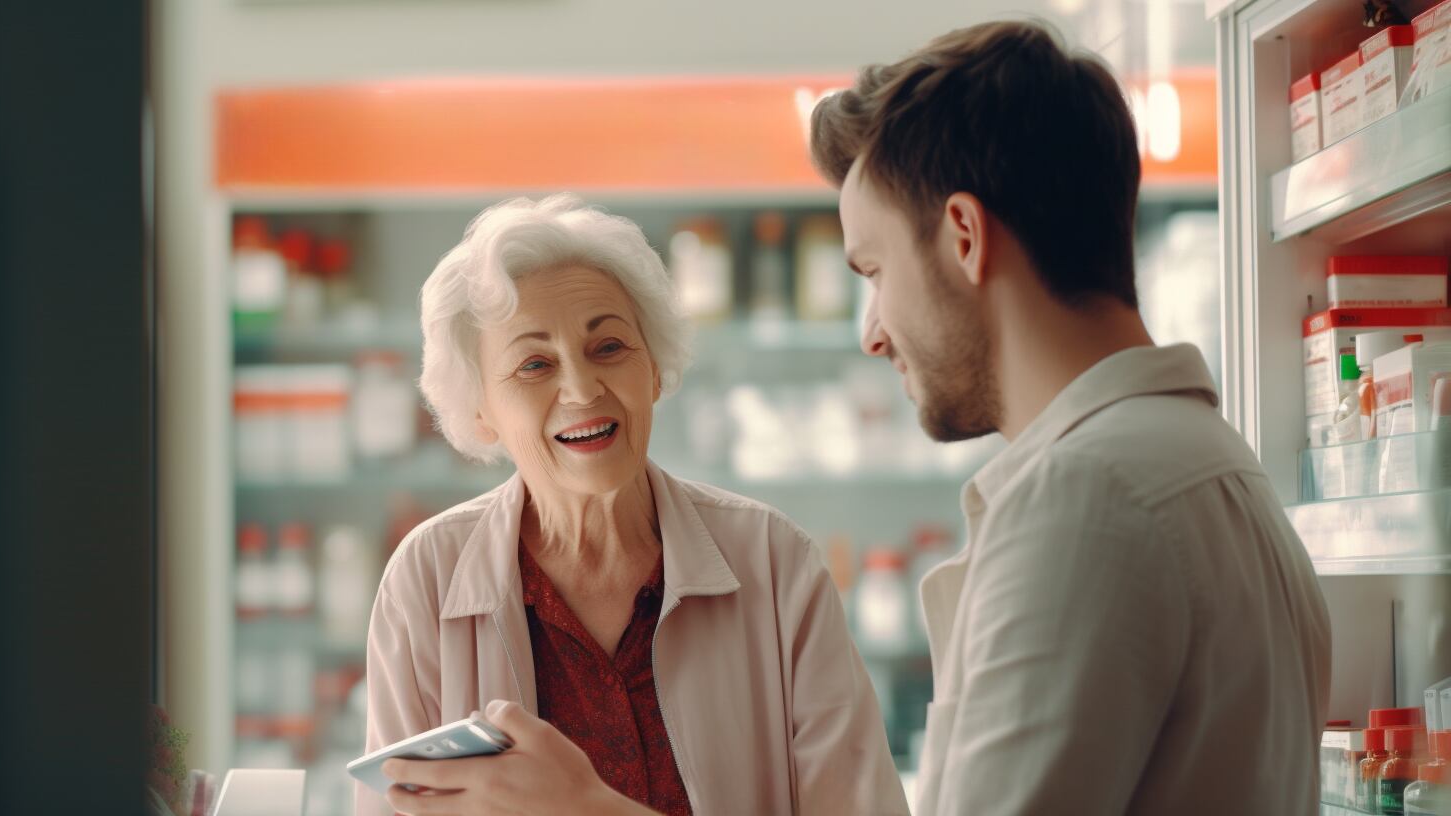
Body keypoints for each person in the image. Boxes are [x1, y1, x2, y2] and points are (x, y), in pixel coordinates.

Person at [807, 19, 1332, 815]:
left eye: (875, 271)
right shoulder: (1214, 462)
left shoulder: (1086, 497)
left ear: (963, 237)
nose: (873, 330)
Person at [359, 195, 906, 816]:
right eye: (534, 364)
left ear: (654, 370)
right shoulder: (426, 580)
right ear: (480, 411)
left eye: (610, 347)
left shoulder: (777, 566)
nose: (582, 388)